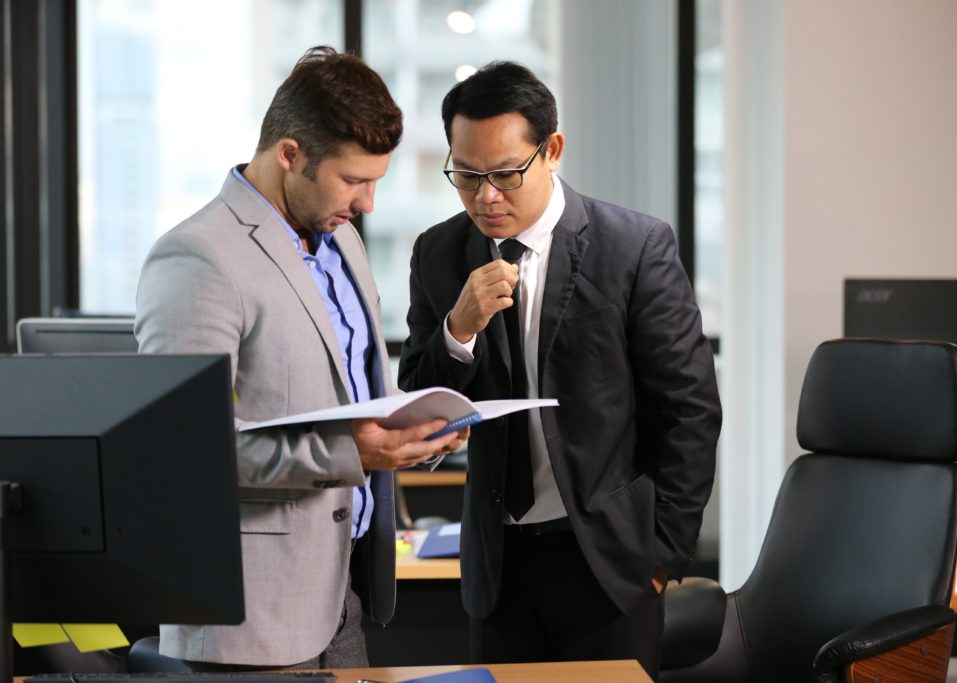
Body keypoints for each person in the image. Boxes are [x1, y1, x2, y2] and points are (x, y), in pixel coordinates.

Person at [135, 46, 466, 669]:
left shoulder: (341, 238)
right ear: (289, 154)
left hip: (345, 595)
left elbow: (345, 390)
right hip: (251, 621)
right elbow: (180, 450)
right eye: (354, 180)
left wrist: (412, 427)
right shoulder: (198, 258)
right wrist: (354, 453)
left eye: (376, 181)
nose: (368, 202)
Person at [398, 61, 722, 677]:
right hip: (498, 565)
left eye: (503, 174)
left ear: (551, 150)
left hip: (611, 565)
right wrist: (458, 328)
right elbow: (418, 404)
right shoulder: (438, 253)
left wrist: (661, 558)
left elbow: (690, 410)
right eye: (465, 176)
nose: (484, 196)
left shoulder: (633, 247)